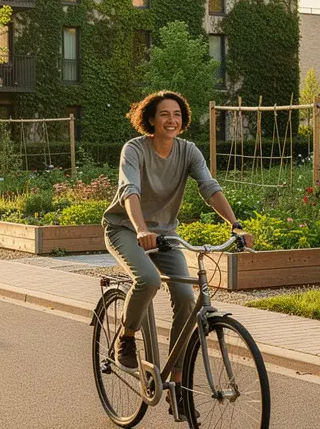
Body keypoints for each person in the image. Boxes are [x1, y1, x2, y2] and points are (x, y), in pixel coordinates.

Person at [102, 90, 253, 418]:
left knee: (186, 298)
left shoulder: (189, 152)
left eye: (177, 115)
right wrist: (141, 229)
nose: (171, 120)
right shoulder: (135, 149)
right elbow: (129, 190)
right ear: (151, 120)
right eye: (164, 114)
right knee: (148, 279)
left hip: (166, 235)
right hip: (126, 230)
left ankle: (178, 384)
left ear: (182, 121)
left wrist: (236, 225)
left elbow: (209, 187)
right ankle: (126, 338)